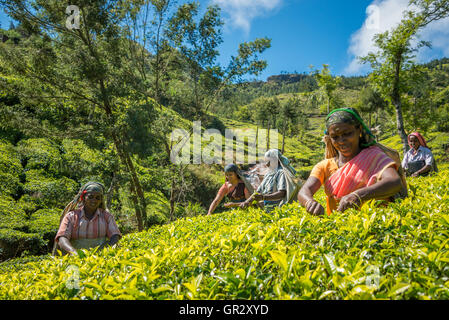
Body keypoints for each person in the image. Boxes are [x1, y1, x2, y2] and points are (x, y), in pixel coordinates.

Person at [298, 108, 408, 216]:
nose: (341, 140)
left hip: (376, 225)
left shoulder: (374, 156)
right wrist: (309, 202)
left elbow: (394, 181)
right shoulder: (324, 166)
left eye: (347, 134)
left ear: (359, 130)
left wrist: (358, 195)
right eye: (335, 137)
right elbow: (304, 191)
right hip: (340, 228)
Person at [53, 182, 121, 255]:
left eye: (97, 198)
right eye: (90, 197)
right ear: (84, 198)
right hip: (74, 259)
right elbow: (62, 238)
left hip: (99, 258)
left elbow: (115, 236)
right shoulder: (71, 216)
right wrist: (74, 253)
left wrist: (104, 251)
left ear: (101, 200)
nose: (94, 200)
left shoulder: (107, 217)